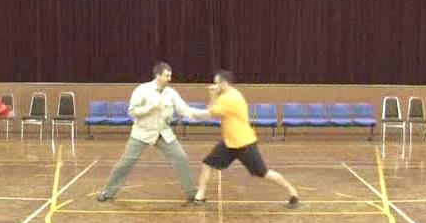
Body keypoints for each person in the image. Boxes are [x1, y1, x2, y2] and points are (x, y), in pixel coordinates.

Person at [97, 62, 205, 205]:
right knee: (125, 163)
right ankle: (107, 192)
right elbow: (132, 112)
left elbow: (185, 110)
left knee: (181, 158)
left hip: (163, 133)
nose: (169, 79)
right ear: (158, 75)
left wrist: (205, 113)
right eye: (167, 75)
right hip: (142, 133)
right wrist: (150, 108)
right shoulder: (142, 90)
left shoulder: (170, 93)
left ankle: (192, 195)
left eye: (170, 76)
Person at [191, 70, 300, 208]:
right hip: (229, 143)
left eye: (216, 83)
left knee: (263, 172)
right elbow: (213, 110)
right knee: (207, 164)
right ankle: (200, 196)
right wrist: (212, 96)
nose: (214, 86)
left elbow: (210, 112)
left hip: (244, 143)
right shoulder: (226, 95)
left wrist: (201, 104)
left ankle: (293, 193)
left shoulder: (230, 98)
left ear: (224, 83)